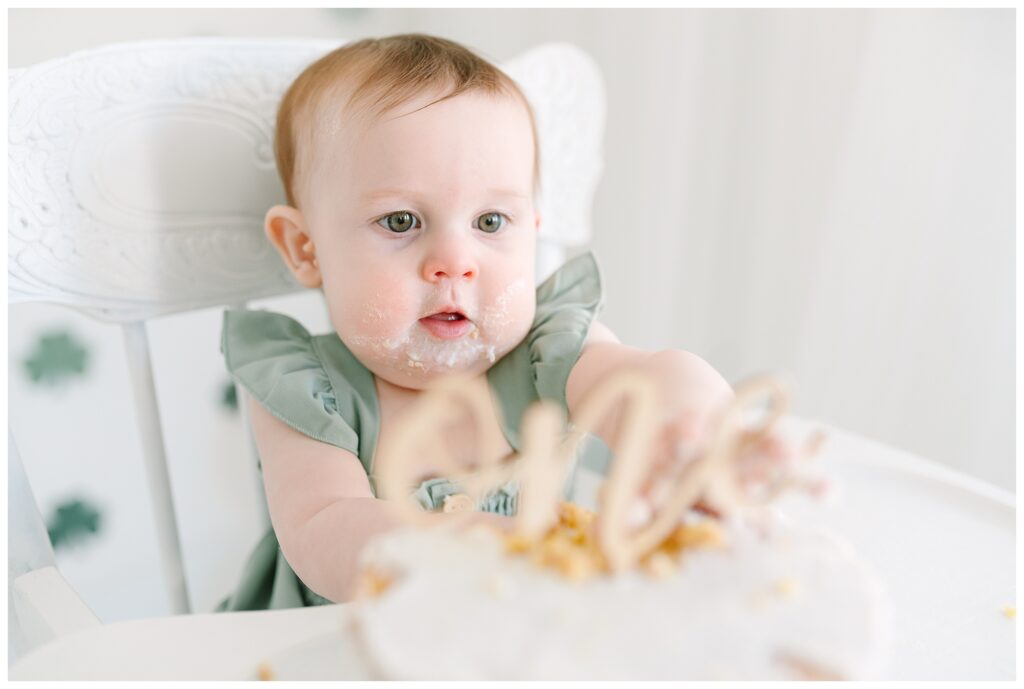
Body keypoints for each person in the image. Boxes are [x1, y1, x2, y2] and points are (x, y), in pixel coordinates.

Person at [218, 33, 793, 611]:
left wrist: (695, 436)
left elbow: (645, 381)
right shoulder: (306, 391)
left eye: (490, 221)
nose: (456, 263)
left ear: (532, 229)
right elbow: (323, 532)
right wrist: (472, 549)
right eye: (400, 220)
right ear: (306, 248)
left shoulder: (550, 352)